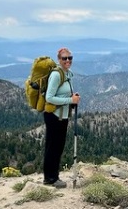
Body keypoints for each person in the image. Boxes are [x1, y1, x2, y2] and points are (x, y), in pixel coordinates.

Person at [43, 47, 80, 188]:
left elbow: (62, 94)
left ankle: (54, 176)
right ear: (59, 60)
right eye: (64, 58)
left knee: (58, 147)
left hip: (62, 116)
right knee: (53, 147)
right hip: (54, 116)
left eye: (70, 58)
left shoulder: (68, 74)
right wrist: (70, 101)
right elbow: (49, 97)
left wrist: (72, 97)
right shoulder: (56, 75)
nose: (68, 61)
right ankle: (50, 178)